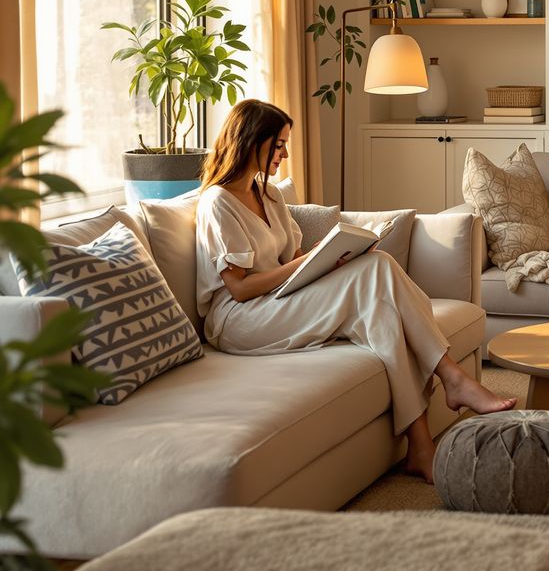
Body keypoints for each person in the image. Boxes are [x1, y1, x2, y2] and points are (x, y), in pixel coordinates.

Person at [194, 99, 515, 482]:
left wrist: (328, 259)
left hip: (279, 300)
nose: (285, 154)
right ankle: (452, 378)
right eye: (278, 145)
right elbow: (240, 288)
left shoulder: (270, 195)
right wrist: (307, 262)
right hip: (240, 319)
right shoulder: (218, 203)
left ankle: (420, 445)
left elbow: (293, 259)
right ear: (251, 142)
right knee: (377, 270)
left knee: (380, 307)